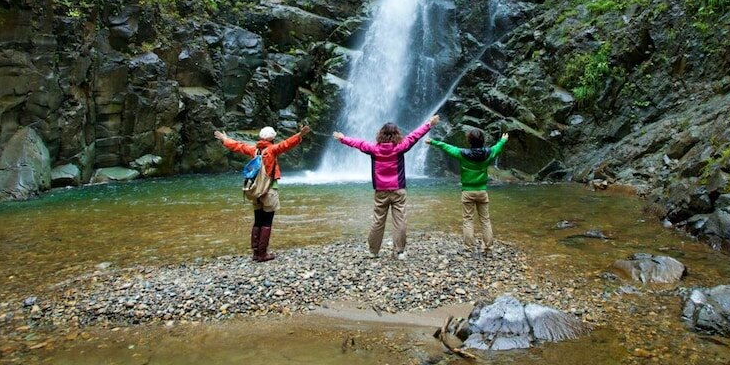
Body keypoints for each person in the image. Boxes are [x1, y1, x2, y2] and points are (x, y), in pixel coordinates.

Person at [333, 114, 440, 259]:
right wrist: (429, 124)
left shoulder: (373, 149)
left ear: (381, 134)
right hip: (398, 190)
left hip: (381, 191)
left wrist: (343, 138)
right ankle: (400, 252)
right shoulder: (400, 147)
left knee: (378, 220)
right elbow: (415, 136)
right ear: (396, 134)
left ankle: (373, 251)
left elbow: (358, 143)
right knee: (400, 220)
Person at [213, 124, 310, 262]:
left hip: (256, 190)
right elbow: (286, 144)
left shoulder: (254, 151)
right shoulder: (272, 150)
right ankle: (263, 253)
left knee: (258, 220)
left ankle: (255, 252)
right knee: (267, 221)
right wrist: (300, 135)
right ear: (272, 138)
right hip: (268, 190)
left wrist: (224, 139)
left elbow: (238, 146)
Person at [426, 128, 509, 256]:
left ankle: (468, 249)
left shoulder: (462, 153)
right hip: (482, 191)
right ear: (482, 141)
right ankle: (488, 250)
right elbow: (497, 147)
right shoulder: (489, 153)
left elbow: (447, 147)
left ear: (469, 141)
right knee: (485, 220)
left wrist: (433, 142)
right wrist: (503, 140)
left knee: (468, 220)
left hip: (467, 192)